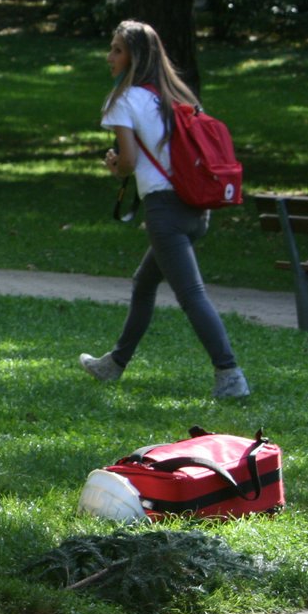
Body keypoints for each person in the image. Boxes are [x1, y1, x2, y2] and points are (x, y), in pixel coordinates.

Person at [79, 20, 251, 400]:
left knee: (190, 294)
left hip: (165, 212)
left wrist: (114, 164)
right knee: (144, 283)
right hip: (197, 209)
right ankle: (113, 364)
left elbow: (128, 161)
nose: (110, 57)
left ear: (135, 57)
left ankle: (229, 373)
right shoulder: (175, 97)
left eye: (117, 50)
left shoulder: (124, 100)